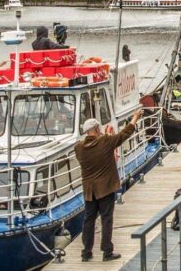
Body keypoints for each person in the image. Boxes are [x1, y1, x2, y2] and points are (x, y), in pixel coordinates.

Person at [75, 109, 144, 262]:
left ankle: (86, 252)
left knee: (88, 220)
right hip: (105, 188)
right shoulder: (105, 142)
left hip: (89, 191)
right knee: (106, 219)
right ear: (97, 129)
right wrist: (135, 117)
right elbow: (124, 134)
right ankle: (107, 252)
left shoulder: (78, 148)